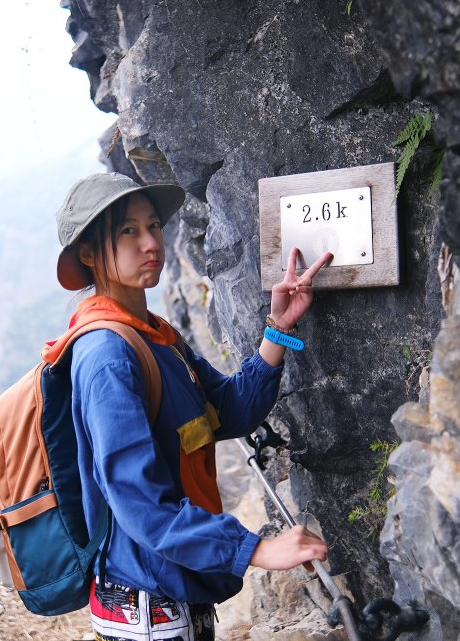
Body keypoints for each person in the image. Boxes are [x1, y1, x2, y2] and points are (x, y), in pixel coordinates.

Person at [46, 172, 333, 641]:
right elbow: (141, 504)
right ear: (89, 253)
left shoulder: (156, 336)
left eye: (154, 225)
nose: (150, 242)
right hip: (143, 604)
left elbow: (232, 411)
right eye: (128, 231)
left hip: (176, 584)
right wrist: (255, 549)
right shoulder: (106, 356)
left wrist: (278, 327)